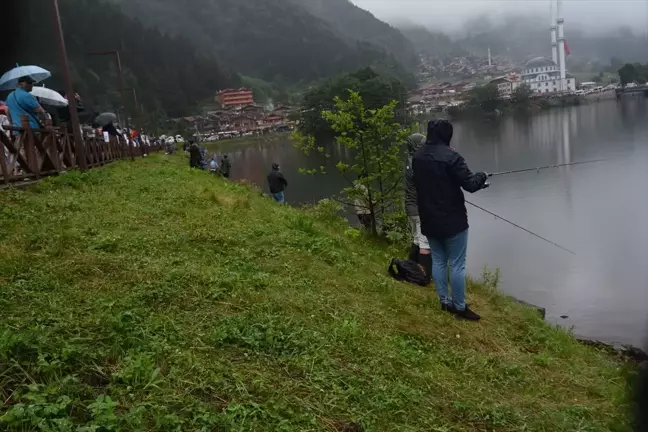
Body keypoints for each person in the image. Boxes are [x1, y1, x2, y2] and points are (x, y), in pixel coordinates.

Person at [413, 119, 490, 321]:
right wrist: (481, 176)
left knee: (438, 260)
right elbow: (471, 185)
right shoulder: (452, 157)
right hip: (453, 220)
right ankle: (460, 307)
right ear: (448, 135)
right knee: (457, 264)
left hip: (428, 218)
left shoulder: (417, 156)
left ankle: (445, 302)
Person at [404, 133, 431, 284]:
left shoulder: (410, 161)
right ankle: (424, 277)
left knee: (416, 239)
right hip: (419, 209)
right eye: (422, 144)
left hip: (410, 208)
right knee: (425, 243)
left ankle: (411, 269)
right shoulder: (417, 162)